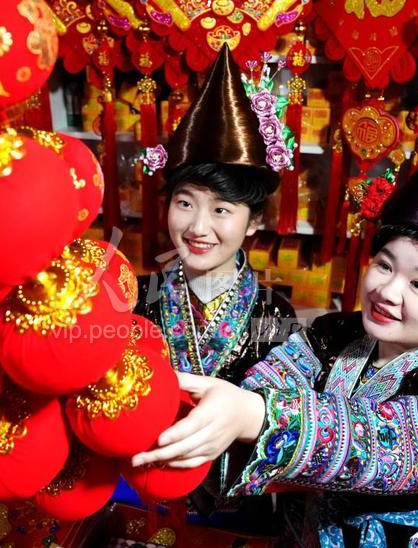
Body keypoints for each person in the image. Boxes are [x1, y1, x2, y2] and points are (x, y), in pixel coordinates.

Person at [132, 118, 418, 546]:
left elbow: (381, 446)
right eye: (385, 266)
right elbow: (270, 377)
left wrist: (257, 416)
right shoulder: (335, 334)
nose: (387, 291)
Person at [129, 46, 298, 533]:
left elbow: (279, 427)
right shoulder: (135, 297)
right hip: (138, 487)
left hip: (235, 508)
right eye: (185, 203)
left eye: (221, 209)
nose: (197, 227)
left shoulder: (276, 315)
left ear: (254, 221)